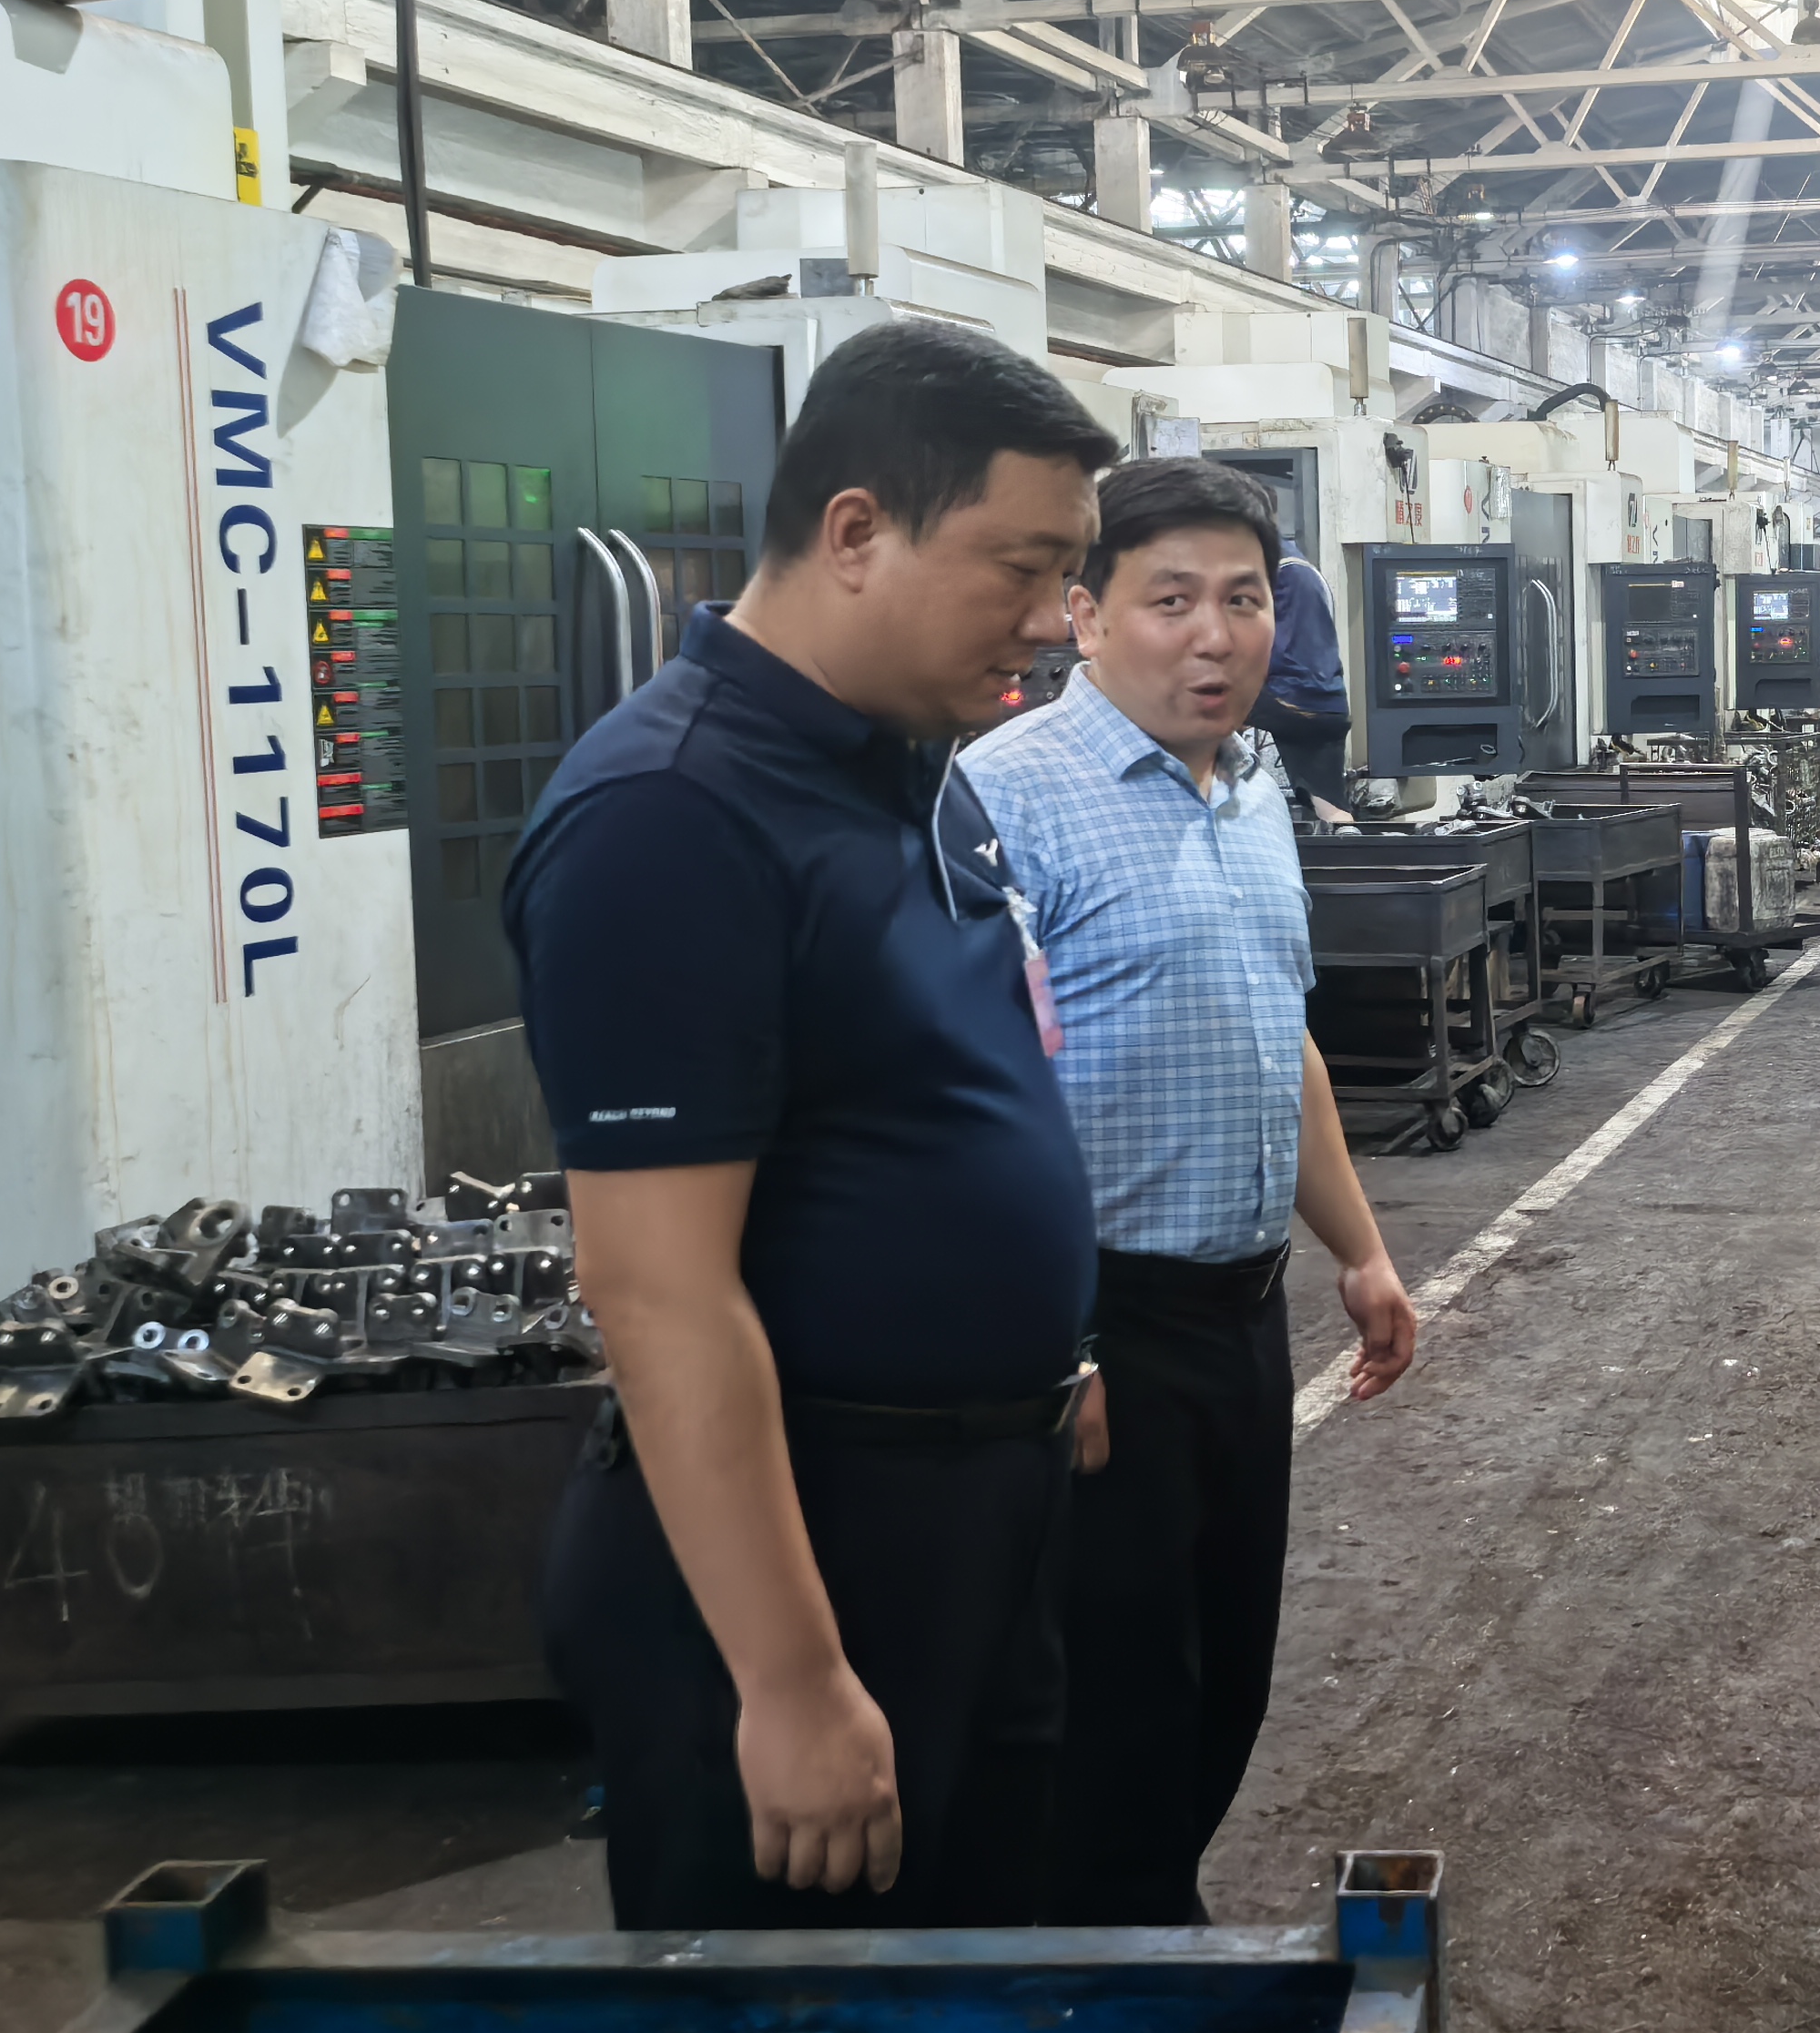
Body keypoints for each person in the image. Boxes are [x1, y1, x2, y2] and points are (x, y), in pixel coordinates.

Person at [505, 320, 1120, 1930]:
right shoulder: (672, 816)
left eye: (1068, 577)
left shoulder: (910, 771)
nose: (1052, 623)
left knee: (985, 1982)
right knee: (801, 2029)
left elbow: (937, 1090)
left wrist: (1047, 1355)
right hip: (817, 1542)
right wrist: (788, 1681)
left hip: (977, 1510)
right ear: (857, 531)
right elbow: (656, 1287)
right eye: (1023, 569)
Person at [959, 457, 1421, 1927]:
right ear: (1085, 614)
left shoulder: (1255, 783)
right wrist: (1053, 1338)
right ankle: (1112, 1979)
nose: (1215, 636)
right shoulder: (1003, 797)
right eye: (1171, 600)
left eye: (1244, 598)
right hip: (1098, 1326)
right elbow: (971, 1101)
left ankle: (1151, 1923)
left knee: (1226, 1675)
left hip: (1240, 1315)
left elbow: (1277, 1030)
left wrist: (1357, 1249)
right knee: (1109, 1707)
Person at [1250, 531, 1356, 819]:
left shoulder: (1278, 572)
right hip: (1330, 704)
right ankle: (1344, 834)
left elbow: (1266, 649)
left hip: (1294, 697)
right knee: (1331, 808)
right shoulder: (1305, 569)